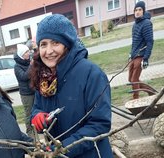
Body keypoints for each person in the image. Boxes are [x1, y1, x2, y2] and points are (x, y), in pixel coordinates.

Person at [29, 14, 113, 157]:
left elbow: (99, 124)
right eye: (43, 44)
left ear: (67, 44)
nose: (48, 51)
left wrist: (64, 149)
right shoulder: (43, 78)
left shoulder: (91, 74)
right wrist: (37, 116)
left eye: (55, 43)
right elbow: (37, 107)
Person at [129, 1, 154, 99]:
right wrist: (130, 54)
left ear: (143, 11)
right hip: (133, 56)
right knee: (130, 79)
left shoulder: (146, 23)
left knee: (134, 79)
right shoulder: (135, 25)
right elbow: (134, 41)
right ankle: (151, 91)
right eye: (136, 10)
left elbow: (150, 42)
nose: (137, 12)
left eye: (140, 10)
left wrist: (146, 58)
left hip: (141, 56)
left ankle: (136, 100)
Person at [14, 44, 35, 136]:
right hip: (26, 94)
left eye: (28, 51)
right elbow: (24, 76)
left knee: (36, 111)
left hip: (34, 90)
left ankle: (37, 128)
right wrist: (31, 66)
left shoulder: (28, 62)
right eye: (26, 52)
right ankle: (30, 132)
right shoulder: (17, 66)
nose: (28, 53)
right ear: (22, 55)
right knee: (29, 113)